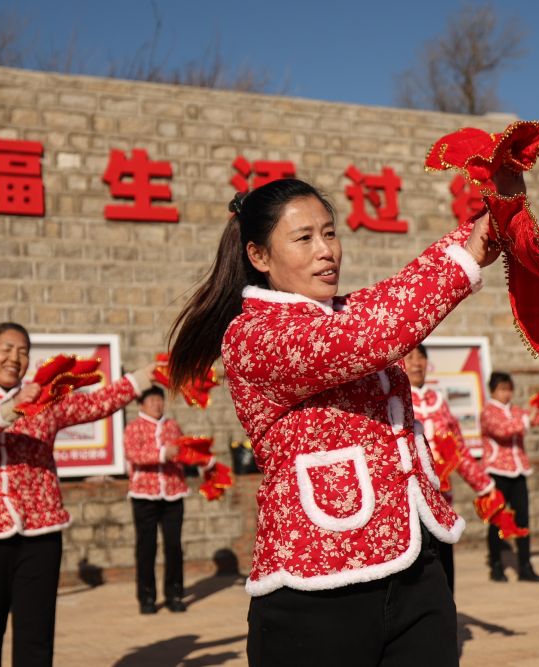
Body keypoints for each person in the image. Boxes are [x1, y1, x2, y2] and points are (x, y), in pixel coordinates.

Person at [168, 176, 504, 667]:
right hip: (316, 587)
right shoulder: (253, 336)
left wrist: (492, 217)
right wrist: (469, 255)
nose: (326, 250)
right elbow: (374, 336)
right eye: (303, 238)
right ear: (259, 256)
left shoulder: (346, 311)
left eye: (329, 233)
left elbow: (402, 289)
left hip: (415, 570)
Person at [0, 322, 155, 667]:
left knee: (36, 635)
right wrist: (11, 408)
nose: (15, 358)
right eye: (6, 349)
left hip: (41, 532)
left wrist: (142, 378)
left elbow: (95, 404)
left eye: (23, 351)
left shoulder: (44, 400)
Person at [404, 344, 496, 592]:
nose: (416, 363)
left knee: (444, 567)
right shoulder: (396, 402)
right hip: (409, 502)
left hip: (441, 499)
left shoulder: (439, 402)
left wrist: (484, 486)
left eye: (421, 357)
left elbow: (459, 450)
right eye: (410, 357)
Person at [479, 371, 539, 583]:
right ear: (493, 390)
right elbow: (502, 431)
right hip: (497, 473)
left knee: (522, 520)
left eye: (509, 389)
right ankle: (496, 565)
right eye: (502, 389)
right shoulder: (488, 412)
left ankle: (525, 566)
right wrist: (528, 418)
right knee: (497, 521)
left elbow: (536, 419)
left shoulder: (516, 411)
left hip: (518, 472)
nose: (506, 394)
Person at [124, 385, 189, 614]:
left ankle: (175, 594)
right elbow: (133, 454)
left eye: (159, 399)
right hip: (145, 495)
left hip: (173, 492)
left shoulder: (173, 426)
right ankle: (147, 597)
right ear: (141, 404)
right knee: (146, 547)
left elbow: (184, 453)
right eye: (151, 400)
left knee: (174, 546)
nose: (157, 404)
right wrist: (162, 454)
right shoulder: (133, 428)